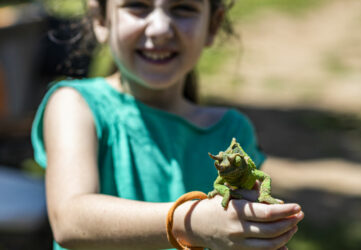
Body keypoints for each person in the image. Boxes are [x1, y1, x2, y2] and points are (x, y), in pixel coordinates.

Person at [31, 0, 304, 249]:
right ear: (101, 19)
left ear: (213, 24)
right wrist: (190, 222)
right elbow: (68, 220)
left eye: (183, 8)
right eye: (137, 5)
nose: (161, 28)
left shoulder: (232, 130)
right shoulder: (75, 105)